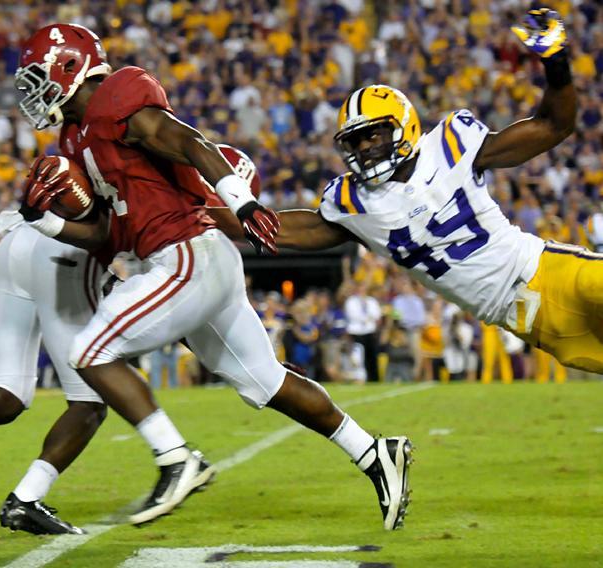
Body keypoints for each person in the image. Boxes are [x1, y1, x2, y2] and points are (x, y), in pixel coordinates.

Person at [14, 24, 413, 530]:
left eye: (37, 76)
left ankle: (177, 458)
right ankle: (375, 453)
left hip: (186, 253)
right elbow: (102, 235)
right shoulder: (75, 137)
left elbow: (188, 140)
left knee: (91, 352)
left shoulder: (118, 98)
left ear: (69, 66)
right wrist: (43, 220)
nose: (33, 91)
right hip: (187, 260)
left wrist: (241, 200)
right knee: (265, 381)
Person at [216, 10, 597, 375]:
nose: (364, 147)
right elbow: (270, 228)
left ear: (403, 125)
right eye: (355, 141)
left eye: (373, 134)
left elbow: (553, 126)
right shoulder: (354, 203)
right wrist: (207, 210)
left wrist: (556, 62)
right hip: (525, 319)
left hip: (548, 271)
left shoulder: (451, 145)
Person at [0, 224, 212, 534]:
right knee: (90, 400)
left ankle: (22, 500)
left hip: (15, 241)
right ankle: (172, 453)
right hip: (63, 250)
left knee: (7, 397)